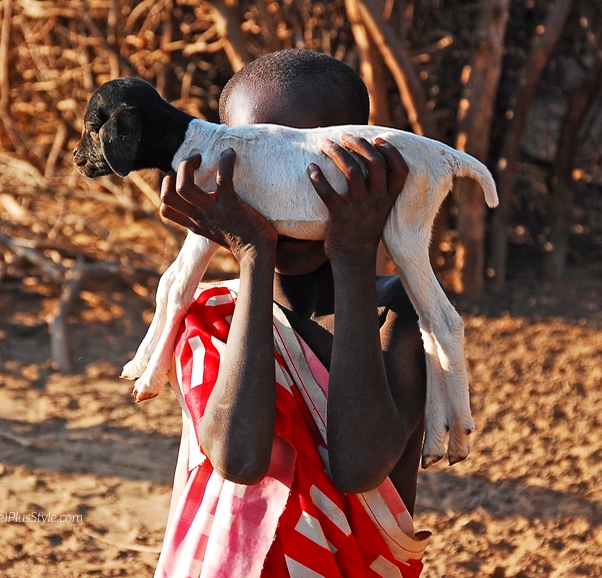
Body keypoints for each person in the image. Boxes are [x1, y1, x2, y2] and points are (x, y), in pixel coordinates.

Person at [154, 49, 429, 577]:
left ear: (369, 158)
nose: (289, 189)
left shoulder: (402, 312)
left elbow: (359, 467)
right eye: (258, 160)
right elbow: (239, 459)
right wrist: (254, 252)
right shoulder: (210, 316)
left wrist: (352, 255)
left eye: (316, 160)